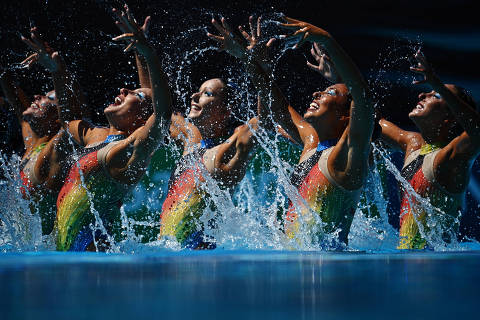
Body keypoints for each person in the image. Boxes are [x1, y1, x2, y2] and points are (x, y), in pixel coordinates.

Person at [208, 16, 375, 247]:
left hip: (330, 270)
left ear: (347, 116)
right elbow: (276, 105)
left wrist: (327, 40)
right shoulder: (310, 144)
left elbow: (363, 96)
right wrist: (247, 59)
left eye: (330, 93)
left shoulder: (347, 156)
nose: (317, 94)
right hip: (298, 261)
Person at [35, 7, 173, 251]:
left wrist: (149, 56)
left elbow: (161, 114)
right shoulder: (97, 137)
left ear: (142, 120)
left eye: (135, 95)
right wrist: (57, 72)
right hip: (68, 254)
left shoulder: (128, 151)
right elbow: (67, 124)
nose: (123, 91)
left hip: (94, 254)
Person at [379, 50, 480, 249]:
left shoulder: (451, 159)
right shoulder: (413, 145)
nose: (422, 94)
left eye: (436, 96)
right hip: (408, 261)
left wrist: (438, 85)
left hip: (437, 265)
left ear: (449, 118)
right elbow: (368, 120)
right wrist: (340, 81)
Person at [0, 28, 85, 235]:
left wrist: (57, 69)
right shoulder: (31, 141)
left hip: (42, 250)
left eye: (50, 98)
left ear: (56, 117)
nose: (37, 96)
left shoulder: (54, 151)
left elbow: (72, 116)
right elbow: (9, 86)